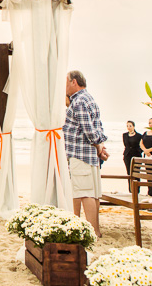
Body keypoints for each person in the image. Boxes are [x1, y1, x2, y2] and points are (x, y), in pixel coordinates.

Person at [63, 70, 108, 237]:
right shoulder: (88, 99)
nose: (64, 87)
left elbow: (89, 130)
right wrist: (100, 147)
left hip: (80, 153)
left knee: (85, 193)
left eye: (65, 83)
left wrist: (98, 145)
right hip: (88, 154)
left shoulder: (80, 101)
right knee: (90, 192)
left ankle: (94, 231)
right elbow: (98, 127)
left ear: (74, 82)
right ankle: (93, 229)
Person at [122, 121, 143, 185]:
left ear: (133, 126)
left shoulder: (139, 136)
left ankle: (137, 189)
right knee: (129, 172)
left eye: (130, 126)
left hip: (136, 155)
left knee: (136, 172)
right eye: (127, 126)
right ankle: (131, 189)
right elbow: (126, 145)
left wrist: (139, 151)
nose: (129, 127)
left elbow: (141, 145)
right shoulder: (124, 135)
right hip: (127, 155)